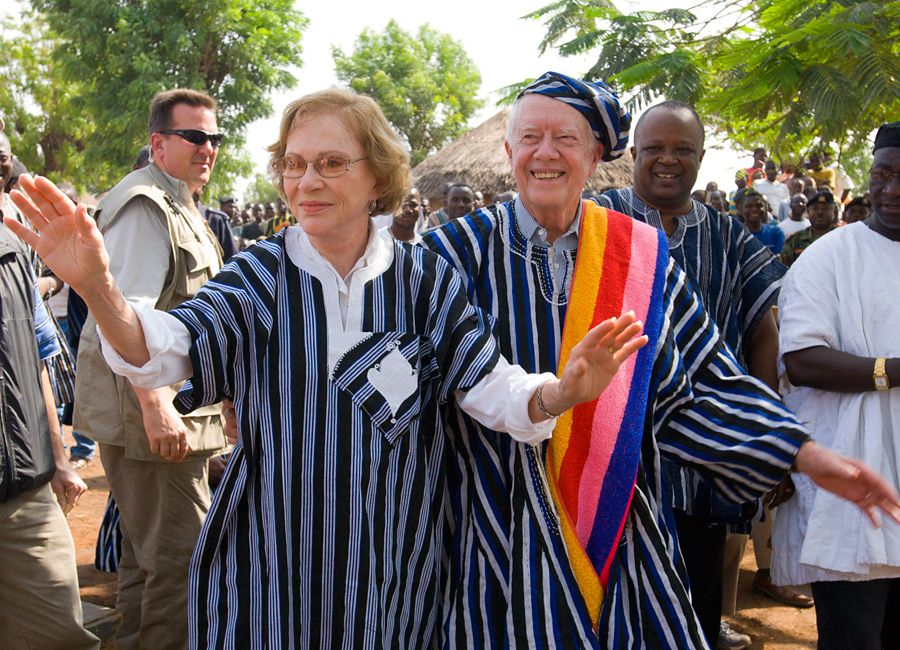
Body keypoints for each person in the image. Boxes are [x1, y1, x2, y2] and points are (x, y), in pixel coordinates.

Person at [8, 87, 650, 649]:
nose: (306, 181)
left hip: (393, 568)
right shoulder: (261, 276)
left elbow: (493, 387)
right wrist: (97, 287)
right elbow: (163, 348)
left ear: (379, 178)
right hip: (272, 566)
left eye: (331, 163)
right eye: (293, 164)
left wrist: (559, 392)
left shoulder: (423, 279)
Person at [422, 72, 900, 649]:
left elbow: (700, 382)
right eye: (530, 137)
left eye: (565, 139)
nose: (545, 153)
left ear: (596, 154)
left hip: (619, 530)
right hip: (492, 528)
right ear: (508, 150)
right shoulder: (449, 254)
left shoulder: (639, 255)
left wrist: (801, 452)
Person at [593, 100, 790, 647]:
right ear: (634, 153)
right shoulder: (597, 220)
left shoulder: (728, 237)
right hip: (612, 452)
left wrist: (755, 431)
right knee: (610, 604)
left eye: (683, 150)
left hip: (702, 460)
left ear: (701, 158)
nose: (667, 160)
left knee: (697, 601)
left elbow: (762, 333)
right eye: (655, 148)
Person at [67, 89, 229, 649]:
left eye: (214, 138)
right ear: (159, 143)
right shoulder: (145, 203)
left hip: (171, 409)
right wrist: (158, 406)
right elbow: (126, 314)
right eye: (194, 137)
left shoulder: (178, 198)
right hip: (155, 415)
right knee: (182, 566)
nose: (207, 148)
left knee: (144, 558)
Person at [773, 121, 900, 650]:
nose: (892, 190)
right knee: (855, 637)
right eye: (883, 174)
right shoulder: (829, 255)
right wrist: (893, 371)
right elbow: (802, 361)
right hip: (853, 487)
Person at [0, 117, 99, 650]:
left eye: (2, 161)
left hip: (24, 487)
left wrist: (59, 461)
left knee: (61, 636)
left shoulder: (12, 249)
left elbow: (34, 359)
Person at [780, 190, 838, 267]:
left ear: (834, 212)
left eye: (825, 209)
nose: (819, 212)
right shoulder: (795, 240)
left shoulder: (842, 238)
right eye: (815, 209)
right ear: (808, 212)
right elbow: (787, 271)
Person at [742, 188, 786, 256]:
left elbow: (779, 259)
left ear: (766, 208)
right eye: (749, 206)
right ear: (741, 209)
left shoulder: (775, 233)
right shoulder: (735, 234)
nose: (754, 209)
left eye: (759, 206)